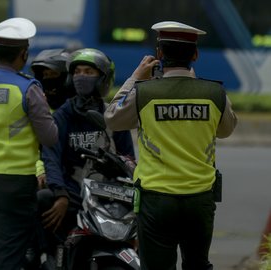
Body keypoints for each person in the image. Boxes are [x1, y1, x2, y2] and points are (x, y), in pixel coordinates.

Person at [104, 21, 238, 270]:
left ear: (159, 54)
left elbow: (112, 117)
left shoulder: (144, 93)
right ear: (195, 55)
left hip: (156, 200)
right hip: (200, 199)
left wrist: (135, 77)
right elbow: (226, 130)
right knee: (197, 264)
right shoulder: (214, 93)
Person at [0, 17, 58, 270]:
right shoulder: (28, 89)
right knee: (9, 249)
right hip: (17, 181)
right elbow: (50, 137)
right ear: (24, 54)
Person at [37, 48, 135, 267]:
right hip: (73, 193)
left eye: (88, 71)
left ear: (102, 78)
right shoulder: (63, 115)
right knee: (42, 199)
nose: (82, 76)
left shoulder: (112, 115)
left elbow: (128, 157)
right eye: (78, 71)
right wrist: (60, 194)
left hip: (107, 194)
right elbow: (51, 156)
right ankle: (46, 258)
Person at [30, 48, 76, 189]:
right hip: (48, 179)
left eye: (53, 74)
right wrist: (41, 171)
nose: (48, 79)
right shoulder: (38, 111)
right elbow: (34, 149)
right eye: (45, 75)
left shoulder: (79, 110)